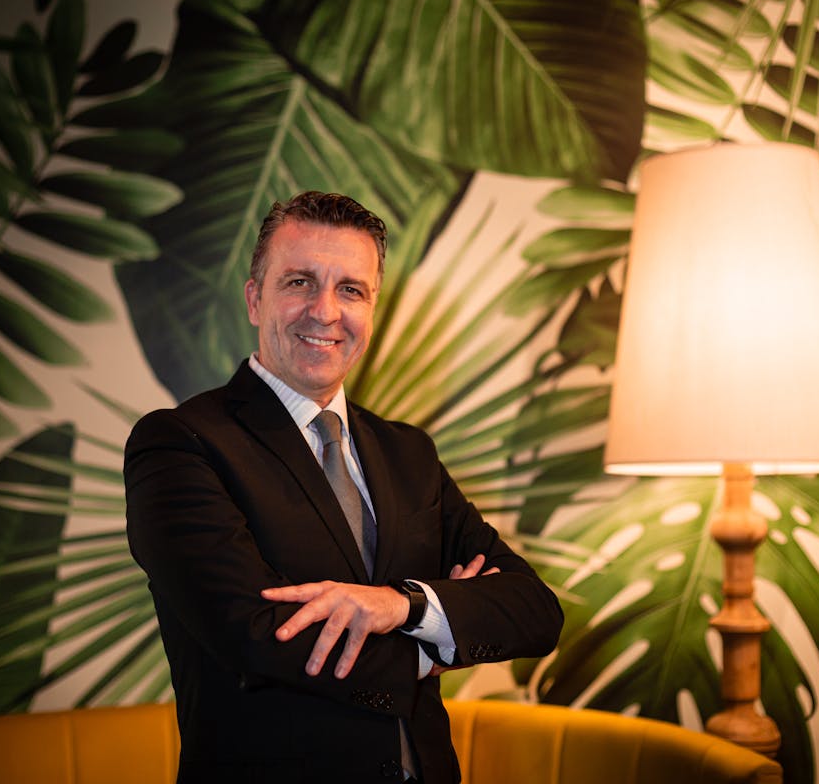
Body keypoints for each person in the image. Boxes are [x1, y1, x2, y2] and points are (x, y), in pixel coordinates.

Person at [124, 191, 564, 783]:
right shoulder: (180, 444)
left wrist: (401, 604)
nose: (325, 311)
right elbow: (257, 637)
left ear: (372, 310)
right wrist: (434, 644)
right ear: (256, 299)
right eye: (300, 282)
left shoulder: (409, 453)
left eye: (350, 290)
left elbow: (535, 610)